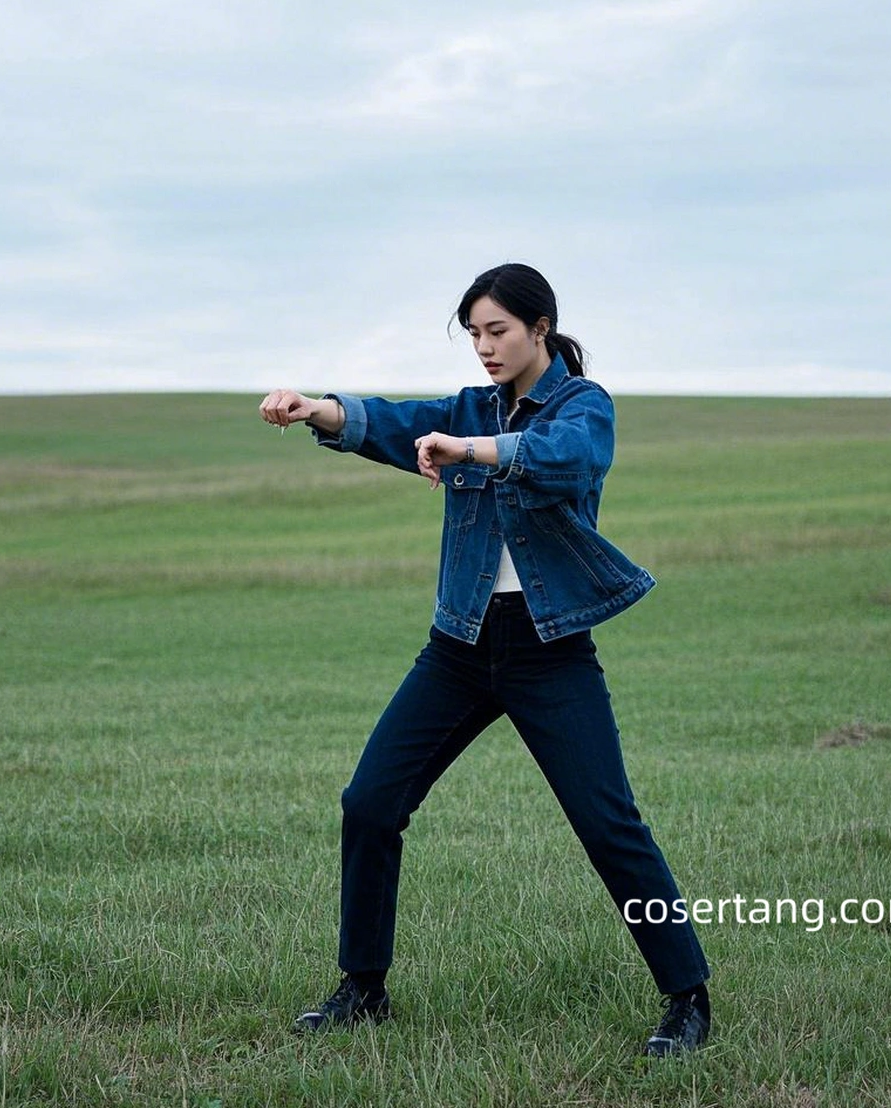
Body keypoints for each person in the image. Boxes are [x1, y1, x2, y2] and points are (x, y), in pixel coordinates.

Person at [259, 263, 711, 1057]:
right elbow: (396, 423)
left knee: (609, 825)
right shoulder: (467, 406)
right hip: (460, 648)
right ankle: (363, 989)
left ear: (541, 328)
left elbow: (562, 459)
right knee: (368, 803)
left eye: (497, 330)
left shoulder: (584, 406)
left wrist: (470, 450)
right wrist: (315, 410)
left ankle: (687, 999)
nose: (484, 347)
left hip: (551, 652)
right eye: (473, 333)